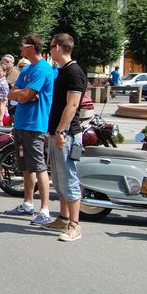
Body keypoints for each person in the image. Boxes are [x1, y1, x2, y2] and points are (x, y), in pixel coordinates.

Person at [4, 33, 55, 225]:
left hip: (35, 124)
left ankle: (45, 209)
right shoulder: (27, 69)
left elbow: (24, 95)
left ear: (32, 48)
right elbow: (13, 94)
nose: (21, 49)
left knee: (39, 167)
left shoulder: (42, 69)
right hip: (22, 124)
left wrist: (21, 94)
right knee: (25, 167)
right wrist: (21, 94)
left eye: (23, 45)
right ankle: (27, 204)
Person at [43, 33, 87, 241]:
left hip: (67, 135)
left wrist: (60, 131)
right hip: (57, 133)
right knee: (59, 180)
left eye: (51, 47)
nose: (50, 50)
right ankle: (63, 217)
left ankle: (75, 225)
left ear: (59, 47)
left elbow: (72, 105)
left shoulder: (74, 72)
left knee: (69, 179)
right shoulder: (63, 71)